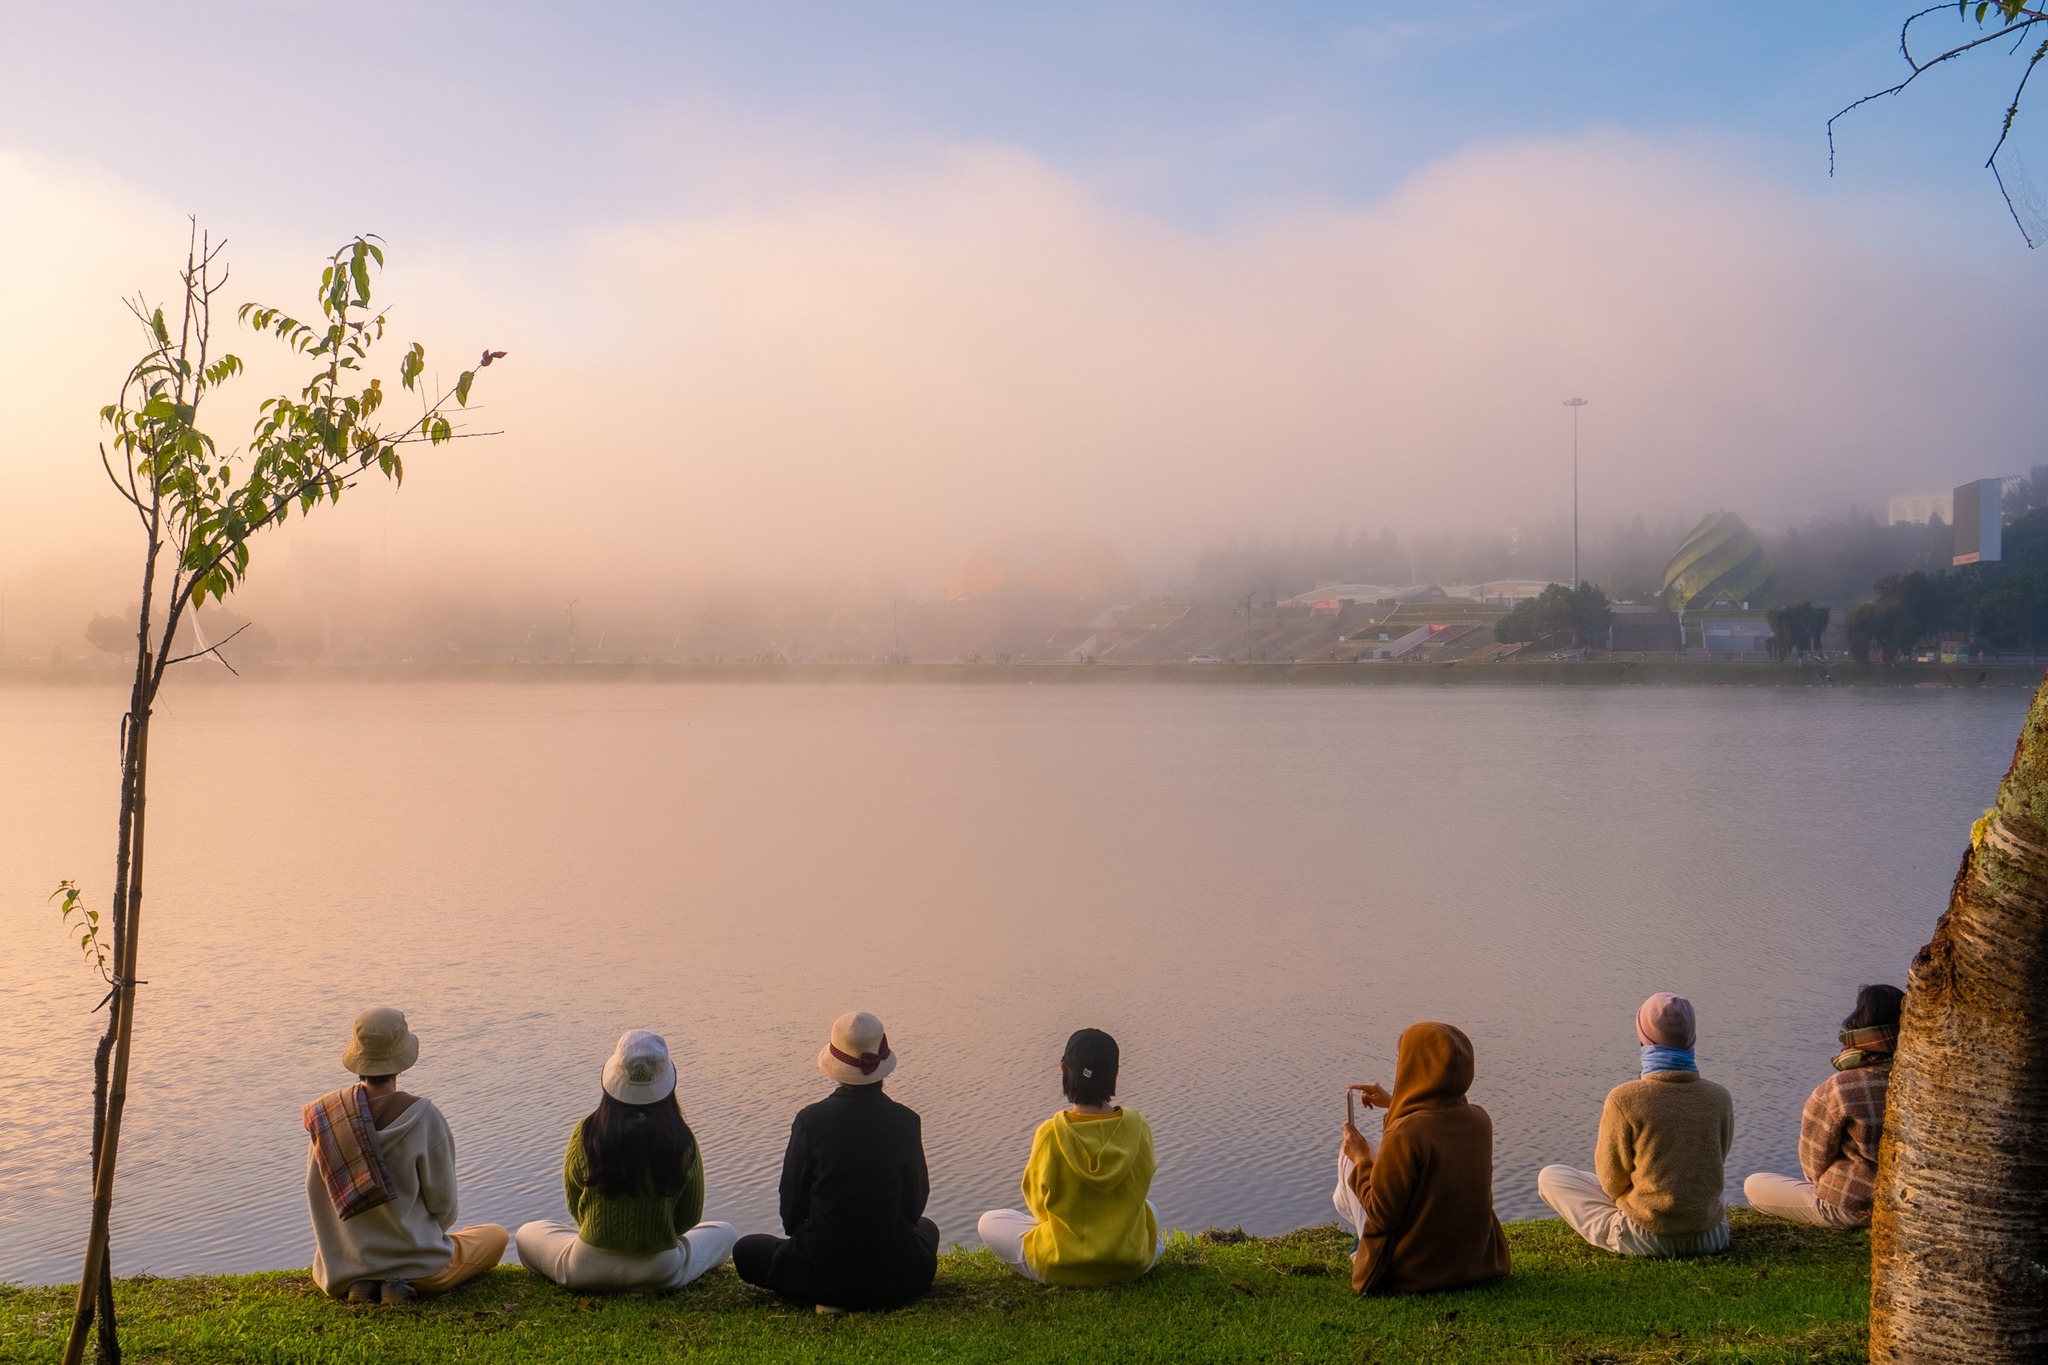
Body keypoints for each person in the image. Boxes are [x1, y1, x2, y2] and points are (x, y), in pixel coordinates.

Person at [732, 1011, 939, 1312]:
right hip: (894, 1277)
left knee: (746, 1249)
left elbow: (791, 1205)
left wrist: (802, 1235)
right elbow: (914, 1204)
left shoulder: (810, 1120)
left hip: (819, 1270)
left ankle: (827, 1293)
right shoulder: (907, 1121)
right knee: (927, 1228)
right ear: (882, 1063)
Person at [304, 1007, 507, 1303]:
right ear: (401, 1060)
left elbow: (314, 1191)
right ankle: (396, 1281)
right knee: (496, 1235)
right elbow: (444, 1207)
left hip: (344, 1268)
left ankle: (364, 1281)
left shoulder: (327, 1116)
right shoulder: (424, 1116)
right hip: (421, 1267)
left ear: (358, 1057)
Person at [514, 1030, 739, 1291]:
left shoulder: (587, 1132)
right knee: (726, 1232)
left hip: (585, 1268)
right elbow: (689, 1217)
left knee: (526, 1233)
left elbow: (576, 1206)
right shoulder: (682, 1139)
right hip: (661, 1270)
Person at [1537, 992, 1734, 1258]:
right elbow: (1715, 1161)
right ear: (1692, 1039)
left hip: (1646, 1237)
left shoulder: (1624, 1098)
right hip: (1712, 1236)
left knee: (1551, 1176)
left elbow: (1611, 1182)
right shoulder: (1719, 1097)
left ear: (1643, 1038)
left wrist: (1630, 1198)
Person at [1333, 1021, 1510, 1295]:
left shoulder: (1405, 1133)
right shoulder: (1479, 1119)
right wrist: (1396, 1103)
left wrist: (1360, 1159)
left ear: (1417, 1066)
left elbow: (1382, 1213)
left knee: (1350, 1157)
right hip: (1478, 1262)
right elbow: (1434, 1132)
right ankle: (1360, 1240)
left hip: (1416, 1271)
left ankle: (1361, 1248)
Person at [977, 1028, 1162, 1286]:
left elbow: (1038, 1205)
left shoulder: (1051, 1133)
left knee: (989, 1221)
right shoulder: (1138, 1126)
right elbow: (1140, 1186)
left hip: (1061, 1265)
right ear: (1114, 1075)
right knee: (1150, 1208)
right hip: (1131, 1263)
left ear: (1063, 1069)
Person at [1743, 983, 1904, 1229]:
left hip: (1850, 1207)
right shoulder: (1924, 1084)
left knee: (1753, 1184)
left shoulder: (1841, 1087)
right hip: (1907, 1203)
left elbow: (1813, 1164)